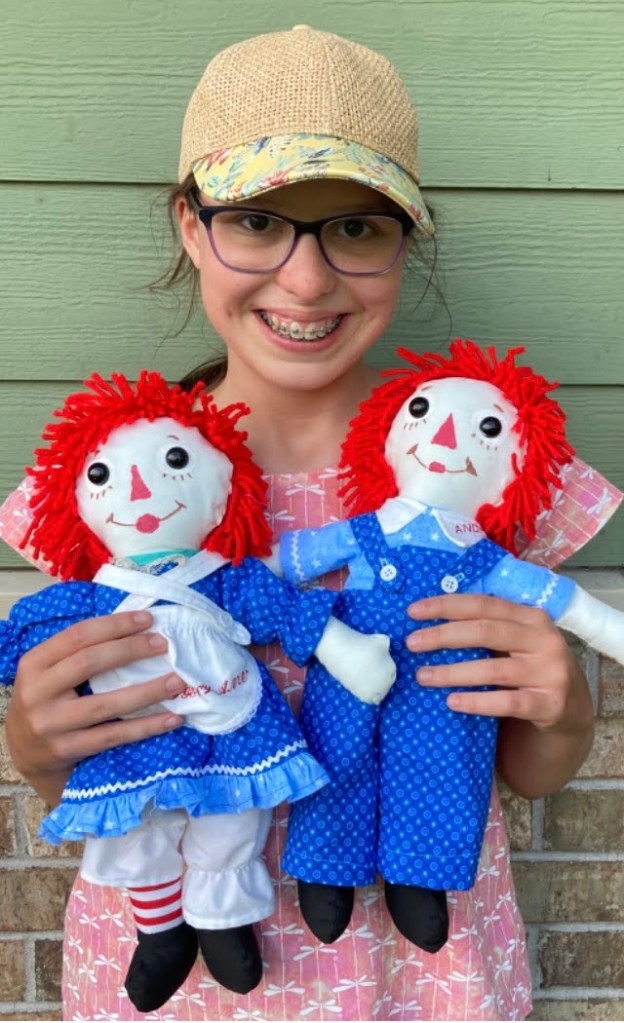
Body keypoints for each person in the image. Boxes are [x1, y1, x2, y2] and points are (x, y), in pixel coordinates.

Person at [1, 25, 602, 1022]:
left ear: (405, 242)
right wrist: (34, 745)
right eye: (255, 221)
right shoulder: (110, 476)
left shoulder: (488, 457)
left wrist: (566, 707)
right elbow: (76, 752)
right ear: (190, 225)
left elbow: (530, 769)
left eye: (356, 228)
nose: (309, 280)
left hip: (419, 984)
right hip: (177, 990)